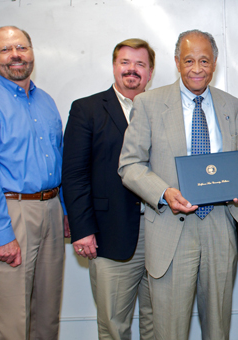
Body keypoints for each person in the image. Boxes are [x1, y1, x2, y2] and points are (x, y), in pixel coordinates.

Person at [118, 29, 238, 340]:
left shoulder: (231, 105)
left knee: (218, 328)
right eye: (190, 60)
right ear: (178, 63)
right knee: (170, 329)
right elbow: (129, 165)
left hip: (220, 224)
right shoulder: (149, 104)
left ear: (215, 63)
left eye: (205, 60)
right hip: (171, 225)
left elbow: (234, 159)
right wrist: (164, 193)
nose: (197, 68)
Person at [0, 26, 69, 340]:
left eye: (21, 47)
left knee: (47, 314)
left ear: (32, 52)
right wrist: (2, 233)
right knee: (14, 318)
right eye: (6, 50)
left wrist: (63, 211)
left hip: (51, 209)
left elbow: (58, 160)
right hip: (13, 213)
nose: (15, 55)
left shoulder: (46, 101)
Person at [62, 38, 156, 340]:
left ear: (151, 71)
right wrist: (82, 229)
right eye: (125, 62)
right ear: (114, 67)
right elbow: (74, 175)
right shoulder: (86, 109)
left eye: (140, 64)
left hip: (160, 231)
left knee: (159, 323)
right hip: (109, 232)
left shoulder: (162, 109)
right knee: (114, 325)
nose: (132, 70)